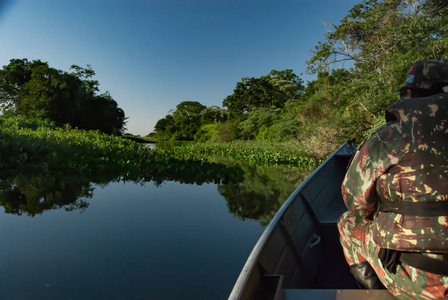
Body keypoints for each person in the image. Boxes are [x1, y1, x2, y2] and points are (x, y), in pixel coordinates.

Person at [338, 59, 448, 299]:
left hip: (421, 281)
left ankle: (384, 294)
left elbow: (355, 202)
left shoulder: (391, 136)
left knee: (348, 223)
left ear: (409, 94)